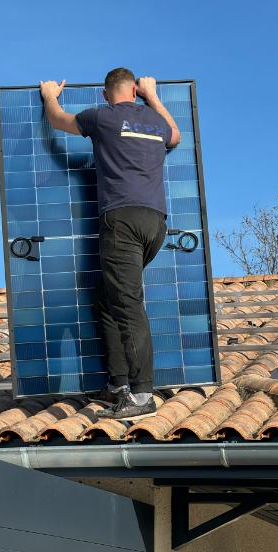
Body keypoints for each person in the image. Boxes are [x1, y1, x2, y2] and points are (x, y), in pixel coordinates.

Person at [40, 68, 181, 419]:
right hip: (155, 223)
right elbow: (175, 136)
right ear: (135, 90)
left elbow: (58, 122)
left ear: (106, 94)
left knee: (129, 304)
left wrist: (49, 97)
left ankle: (141, 395)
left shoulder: (102, 117)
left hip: (122, 223)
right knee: (109, 296)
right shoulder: (154, 121)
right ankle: (118, 383)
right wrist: (153, 97)